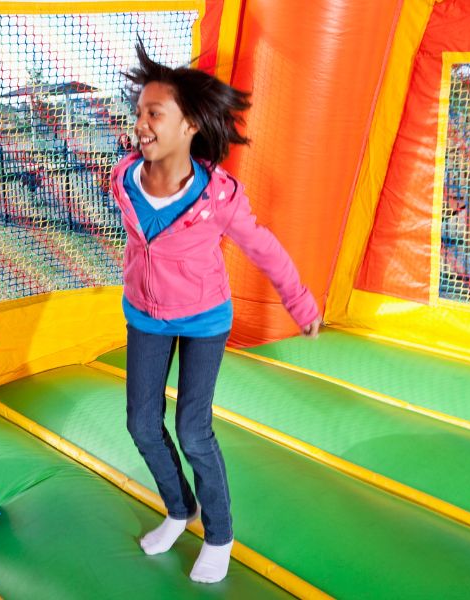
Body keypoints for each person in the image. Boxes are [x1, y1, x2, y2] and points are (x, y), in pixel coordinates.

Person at [113, 43, 322, 583]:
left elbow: (265, 249)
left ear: (189, 127)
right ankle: (180, 509)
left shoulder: (219, 197)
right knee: (141, 422)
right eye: (138, 112)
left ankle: (220, 533)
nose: (141, 123)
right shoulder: (124, 180)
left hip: (205, 319)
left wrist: (299, 301)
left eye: (154, 114)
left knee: (193, 429)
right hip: (145, 314)